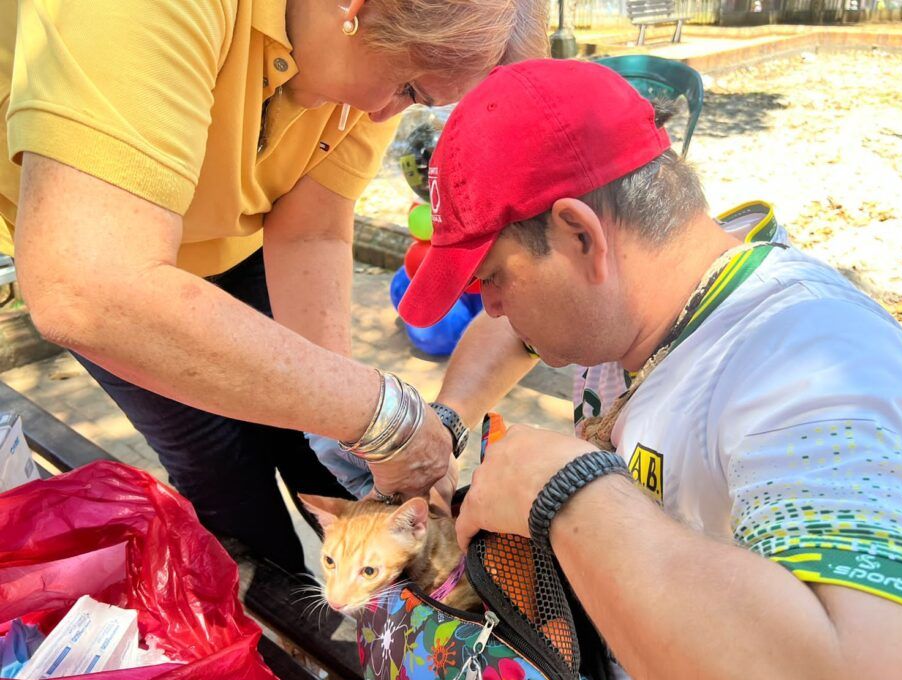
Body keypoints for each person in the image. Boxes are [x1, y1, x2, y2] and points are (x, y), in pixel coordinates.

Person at [398, 59, 902, 680]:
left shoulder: (812, 358)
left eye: (492, 278)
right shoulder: (651, 295)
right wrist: (444, 422)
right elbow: (521, 333)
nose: (489, 308)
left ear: (582, 235)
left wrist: (564, 492)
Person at [0, 0, 547, 576]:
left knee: (328, 455)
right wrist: (383, 416)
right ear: (354, 8)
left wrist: (351, 418)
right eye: (408, 86)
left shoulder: (367, 57)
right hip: (117, 256)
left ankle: (370, 636)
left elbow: (311, 231)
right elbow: (89, 283)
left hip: (246, 242)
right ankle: (277, 623)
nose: (385, 116)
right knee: (220, 469)